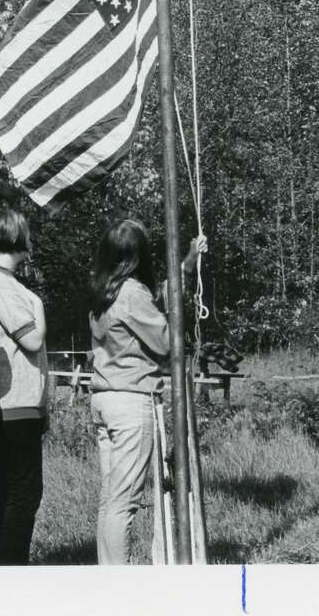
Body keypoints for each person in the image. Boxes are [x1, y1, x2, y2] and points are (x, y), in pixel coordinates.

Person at [88, 218, 205, 565]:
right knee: (124, 502)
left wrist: (186, 264)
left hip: (104, 399)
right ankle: (120, 588)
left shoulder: (102, 288)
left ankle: (110, 579)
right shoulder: (131, 294)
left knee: (112, 499)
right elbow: (168, 341)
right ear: (139, 256)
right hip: (130, 404)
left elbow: (149, 307)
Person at [0, 207, 49, 566]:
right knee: (24, 492)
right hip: (13, 401)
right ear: (15, 239)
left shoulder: (0, 281)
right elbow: (33, 338)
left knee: (14, 490)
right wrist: (37, 304)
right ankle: (12, 571)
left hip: (19, 401)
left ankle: (8, 567)